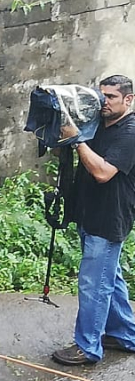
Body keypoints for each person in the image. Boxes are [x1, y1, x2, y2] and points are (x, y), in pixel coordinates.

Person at [52, 74, 135, 365]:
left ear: (129, 99)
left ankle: (87, 347)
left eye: (111, 97)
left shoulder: (131, 132)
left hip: (108, 219)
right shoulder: (98, 122)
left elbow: (102, 172)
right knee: (109, 277)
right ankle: (124, 334)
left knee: (94, 284)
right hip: (89, 213)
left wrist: (77, 139)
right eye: (101, 96)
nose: (104, 103)